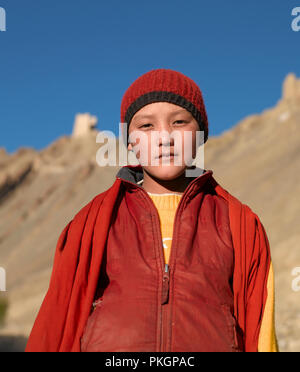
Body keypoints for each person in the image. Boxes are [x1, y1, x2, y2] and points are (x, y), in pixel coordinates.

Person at [25, 68, 278, 352]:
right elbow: (58, 323)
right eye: (146, 126)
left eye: (179, 122)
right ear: (130, 142)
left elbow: (261, 330)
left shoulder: (240, 224)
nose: (164, 137)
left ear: (201, 135)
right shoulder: (92, 222)